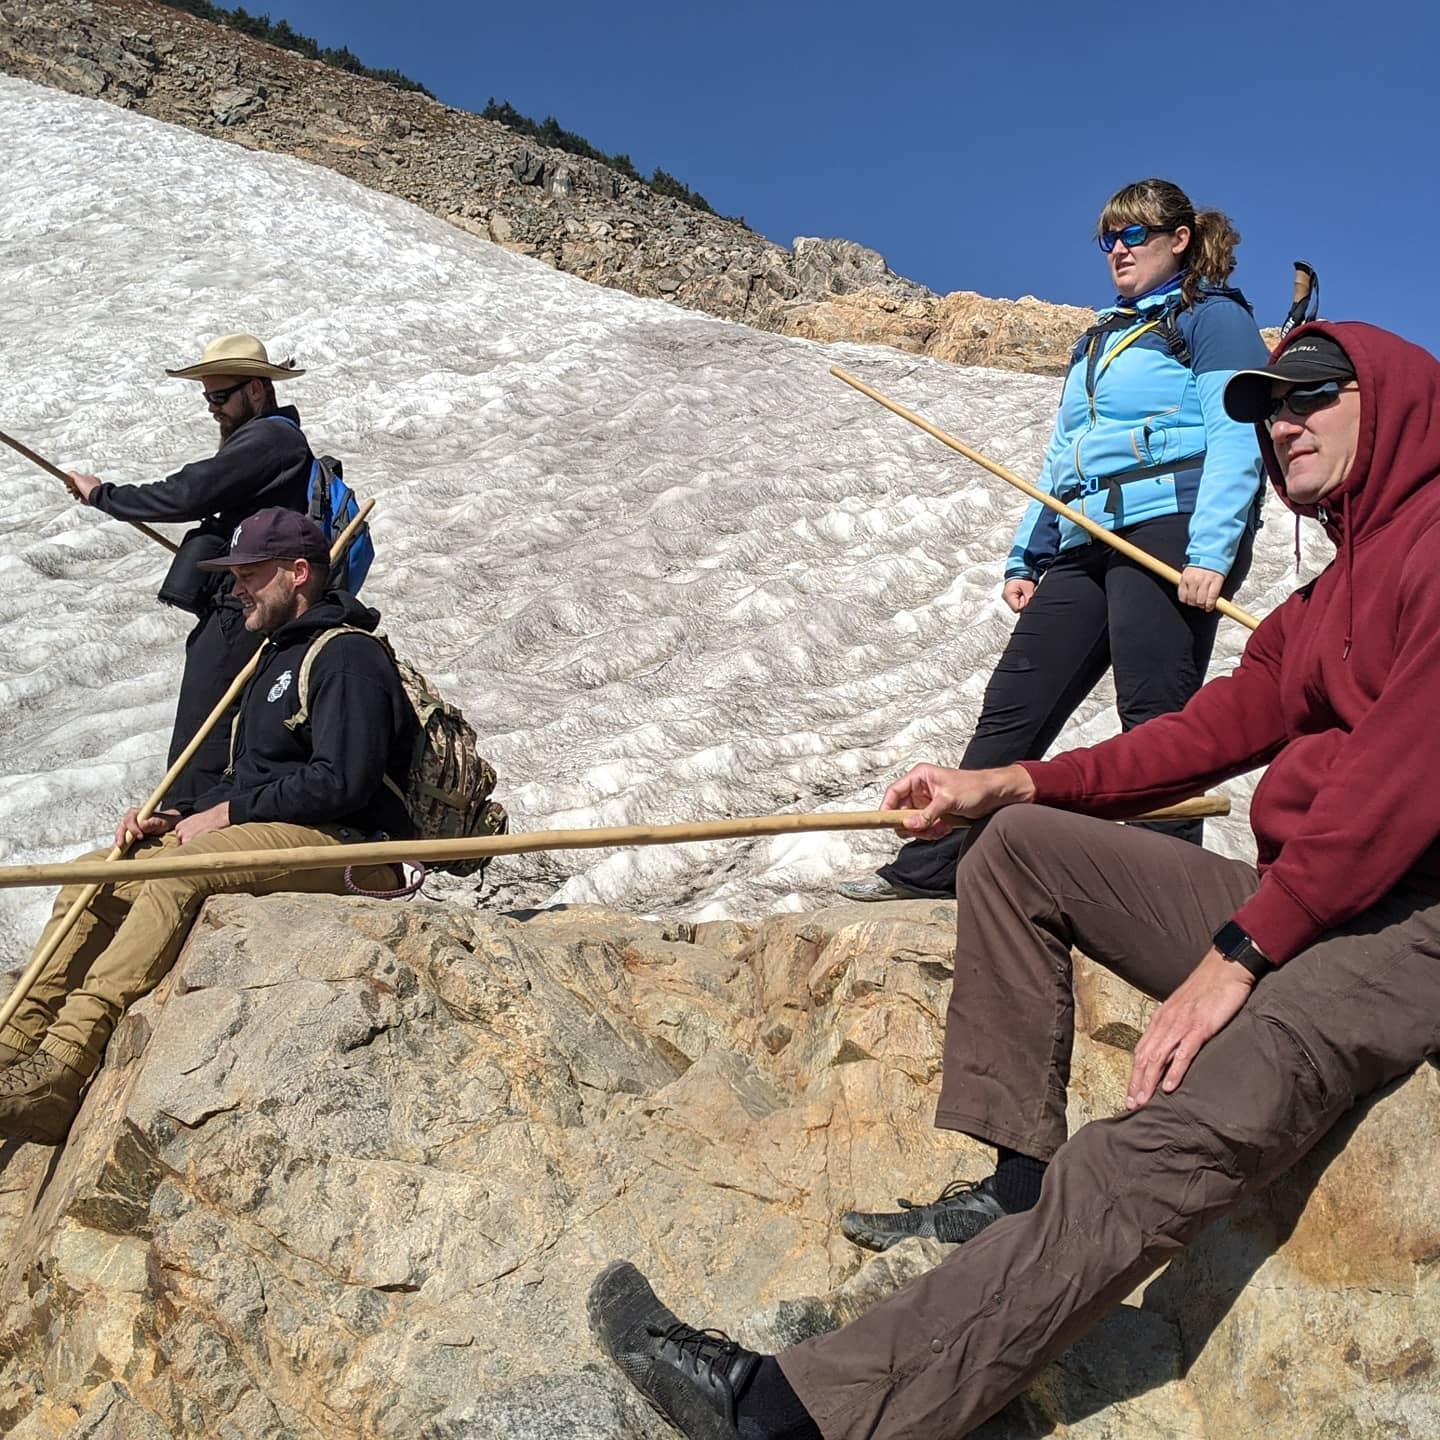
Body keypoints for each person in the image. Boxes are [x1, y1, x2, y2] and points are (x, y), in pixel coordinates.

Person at [591, 321, 1440, 1439]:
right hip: (1312, 908)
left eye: (1311, 396)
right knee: (1021, 851)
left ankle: (795, 1414)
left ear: (1393, 398)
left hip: (1402, 935)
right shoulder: (1336, 586)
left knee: (1160, 1141)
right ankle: (1014, 1189)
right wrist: (1013, 783)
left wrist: (1240, 958)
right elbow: (1209, 730)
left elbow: (1401, 786)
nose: (1281, 423)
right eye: (1262, 408)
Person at [838, 178, 1268, 903]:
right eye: (1108, 238)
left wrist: (1211, 552)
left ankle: (1170, 897)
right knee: (1017, 698)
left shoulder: (1211, 319)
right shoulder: (1100, 337)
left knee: (1153, 712)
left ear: (1180, 238)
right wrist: (1030, 554)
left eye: (1132, 234)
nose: (1117, 251)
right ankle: (936, 873)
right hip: (1087, 535)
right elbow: (1063, 459)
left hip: (1168, 527)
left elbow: (1238, 437)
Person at [0, 510, 415, 1145]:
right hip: (278, 829)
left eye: (249, 574)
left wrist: (228, 815)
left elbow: (344, 782)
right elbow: (250, 777)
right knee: (95, 876)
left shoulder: (347, 657)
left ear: (298, 572)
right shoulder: (278, 657)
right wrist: (180, 815)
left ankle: (63, 1064)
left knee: (177, 873)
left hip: (349, 845)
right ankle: (15, 1041)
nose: (236, 589)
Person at [66, 333, 314, 808]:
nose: (211, 408)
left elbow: (189, 493)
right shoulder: (269, 439)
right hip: (247, 599)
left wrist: (104, 496)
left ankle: (183, 820)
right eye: (207, 398)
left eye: (220, 397)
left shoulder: (269, 439)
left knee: (205, 720)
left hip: (244, 606)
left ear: (257, 390)